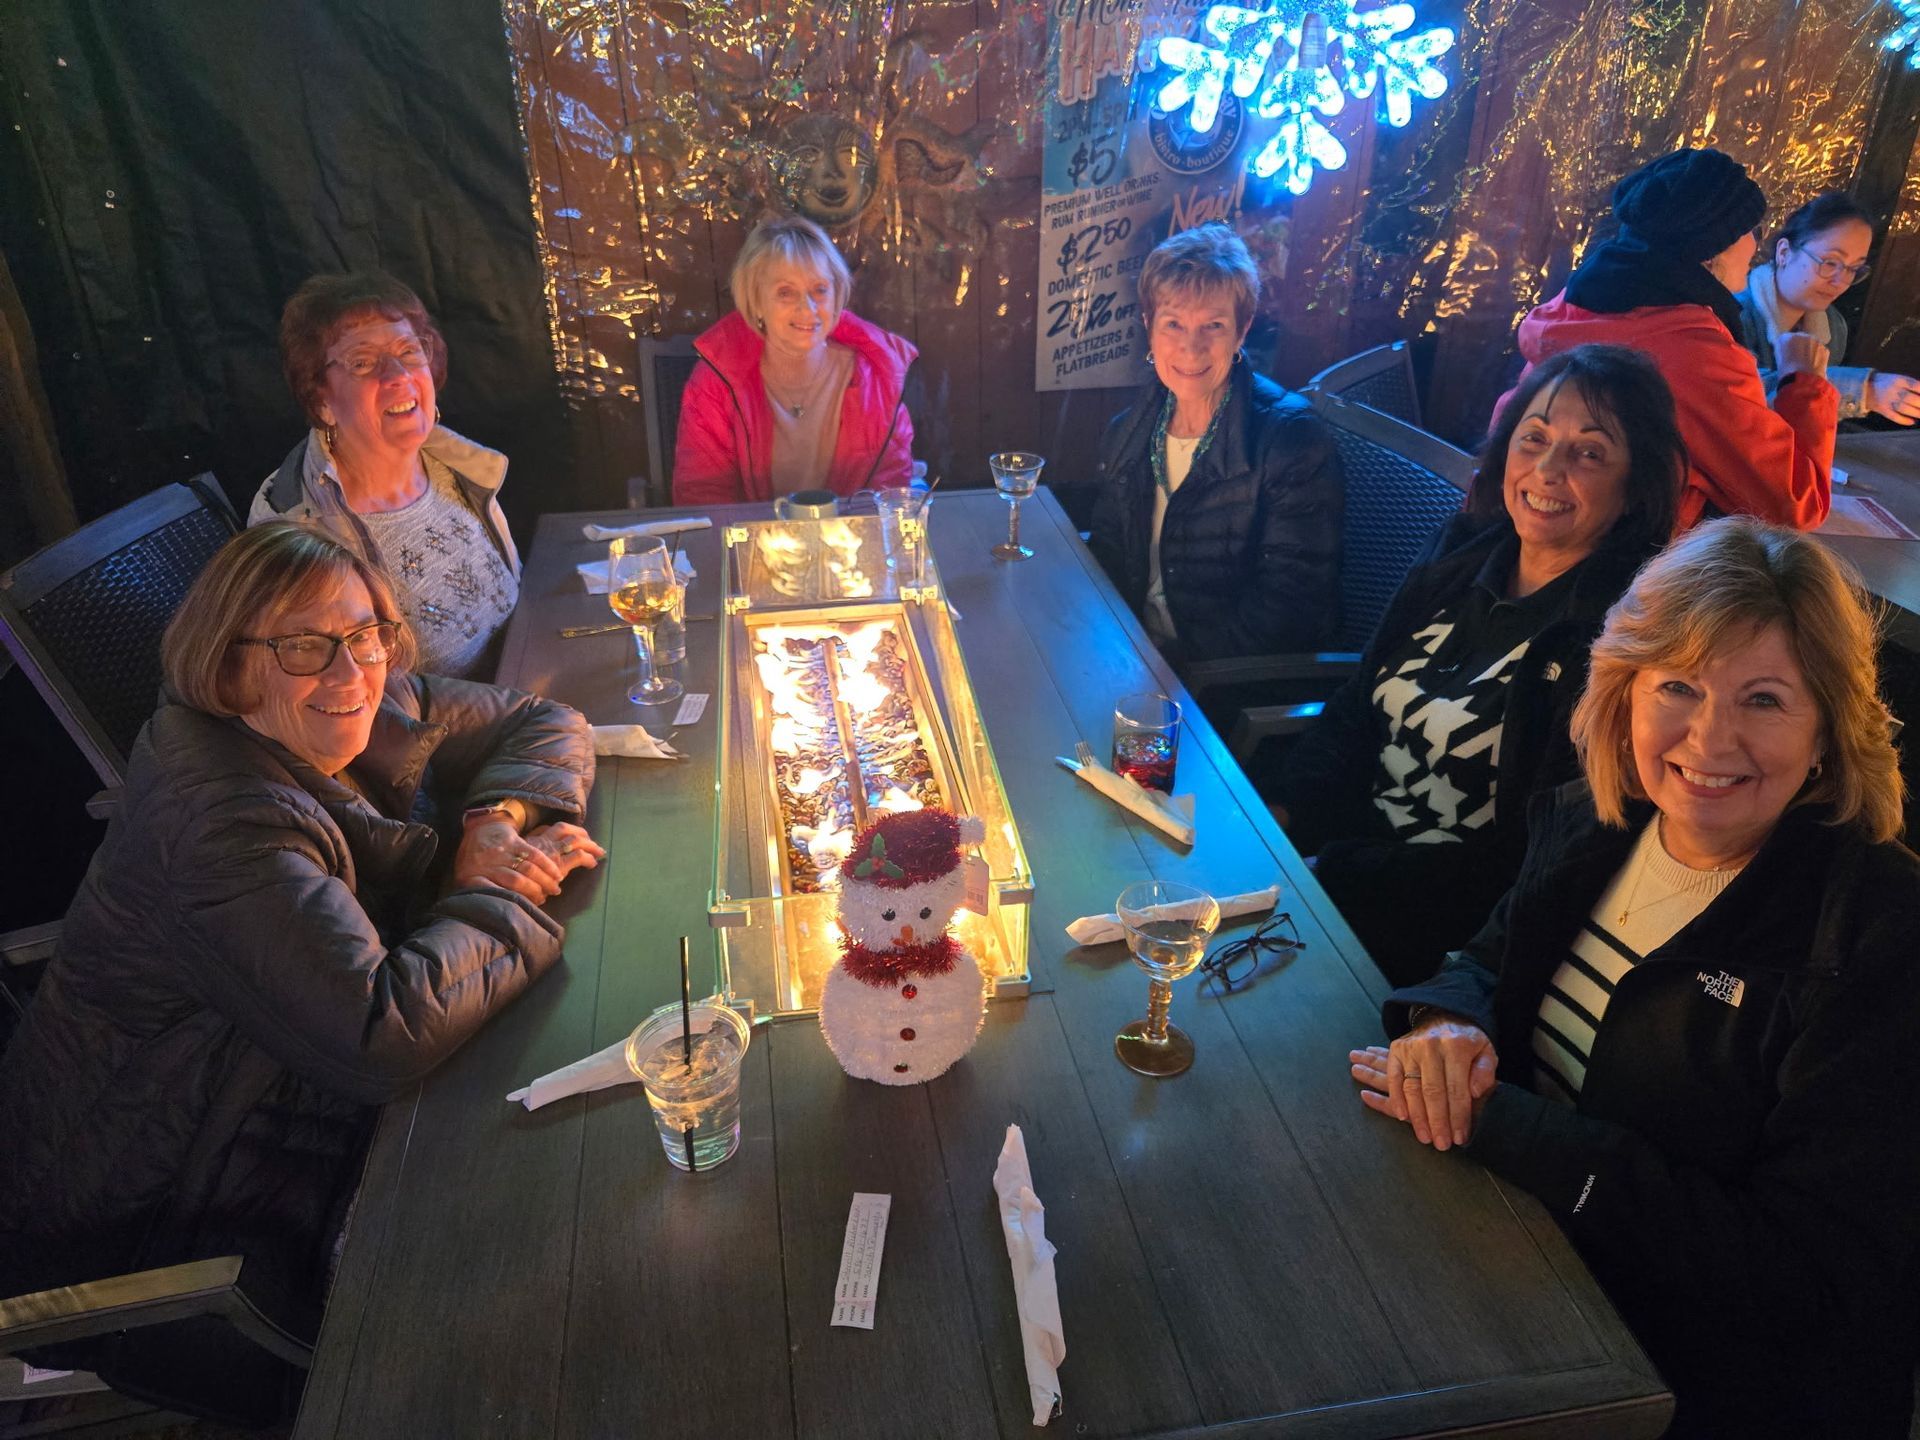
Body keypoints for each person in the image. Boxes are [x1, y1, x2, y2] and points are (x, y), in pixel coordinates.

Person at [0, 523, 602, 1424]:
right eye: (302, 645)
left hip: (278, 1113)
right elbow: (380, 1034)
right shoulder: (223, 825)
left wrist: (493, 821)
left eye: (365, 633)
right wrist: (506, 894)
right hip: (162, 1226)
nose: (351, 670)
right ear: (230, 663)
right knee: (541, 1286)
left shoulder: (360, 698)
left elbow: (543, 719)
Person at [1351, 517, 1920, 1438]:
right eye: (1680, 687)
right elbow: (1484, 962)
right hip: (1528, 1274)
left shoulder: (1880, 936)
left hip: (1694, 1384)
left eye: (1765, 700)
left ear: (1827, 728)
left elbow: (1805, 1279)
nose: (1710, 737)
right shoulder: (1598, 821)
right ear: (1625, 691)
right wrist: (1443, 1026)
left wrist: (1518, 1131)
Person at [1271, 344, 1683, 986]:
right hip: (1329, 872)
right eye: (1534, 438)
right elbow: (1357, 704)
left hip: (1435, 944)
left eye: (1590, 453)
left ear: (1635, 488)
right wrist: (1284, 819)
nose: (1548, 469)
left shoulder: (1624, 641)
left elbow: (1527, 864)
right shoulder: (1461, 552)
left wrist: (1333, 874)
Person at [1502, 147, 1837, 531]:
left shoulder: (1575, 306)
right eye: (1749, 229)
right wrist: (1804, 381)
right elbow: (1795, 503)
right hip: (1630, 578)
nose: (1754, 244)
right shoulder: (1693, 352)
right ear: (1712, 248)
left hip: (1521, 547)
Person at [1084, 223, 1342, 661]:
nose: (1191, 347)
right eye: (1173, 323)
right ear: (1149, 325)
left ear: (1242, 331)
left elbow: (1286, 615)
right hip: (1132, 657)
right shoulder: (1129, 429)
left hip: (1219, 688)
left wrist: (1165, 669)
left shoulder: (1293, 443)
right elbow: (1108, 552)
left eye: (1214, 326)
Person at [252, 271, 520, 679]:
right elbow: (346, 706)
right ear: (321, 400)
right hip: (454, 738)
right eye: (362, 362)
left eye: (409, 351)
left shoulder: (454, 466)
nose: (398, 374)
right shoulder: (298, 533)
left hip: (525, 693)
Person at [672, 214, 916, 504]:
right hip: (752, 544)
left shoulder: (878, 377)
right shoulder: (714, 385)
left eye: (819, 290)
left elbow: (887, 499)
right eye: (786, 293)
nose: (808, 308)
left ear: (837, 294)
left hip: (849, 542)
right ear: (756, 302)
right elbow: (704, 499)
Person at [1735, 191, 1920, 426]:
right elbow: (1746, 401)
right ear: (1784, 253)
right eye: (1830, 263)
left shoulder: (1833, 327)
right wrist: (1865, 391)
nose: (1840, 281)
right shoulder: (1734, 313)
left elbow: (1812, 416)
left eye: (1853, 269)